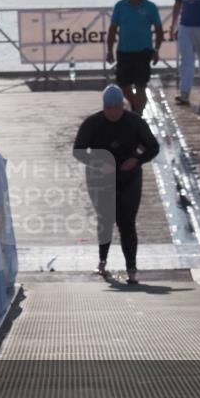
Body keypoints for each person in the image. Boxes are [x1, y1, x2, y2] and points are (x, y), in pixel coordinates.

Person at [73, 85, 160, 284]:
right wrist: (97, 164)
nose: (113, 112)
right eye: (108, 108)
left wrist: (137, 160)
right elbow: (78, 150)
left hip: (129, 178)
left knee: (127, 223)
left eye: (117, 108)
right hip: (99, 179)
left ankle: (131, 268)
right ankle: (102, 261)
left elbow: (153, 147)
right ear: (104, 107)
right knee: (105, 220)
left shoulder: (134, 122)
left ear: (123, 105)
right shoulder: (92, 123)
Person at [106, 0, 163, 116]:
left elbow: (159, 29)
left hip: (143, 52)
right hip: (124, 51)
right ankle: (134, 106)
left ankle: (138, 114)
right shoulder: (120, 6)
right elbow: (112, 29)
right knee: (124, 85)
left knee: (140, 86)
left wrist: (156, 50)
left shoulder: (150, 7)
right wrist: (109, 50)